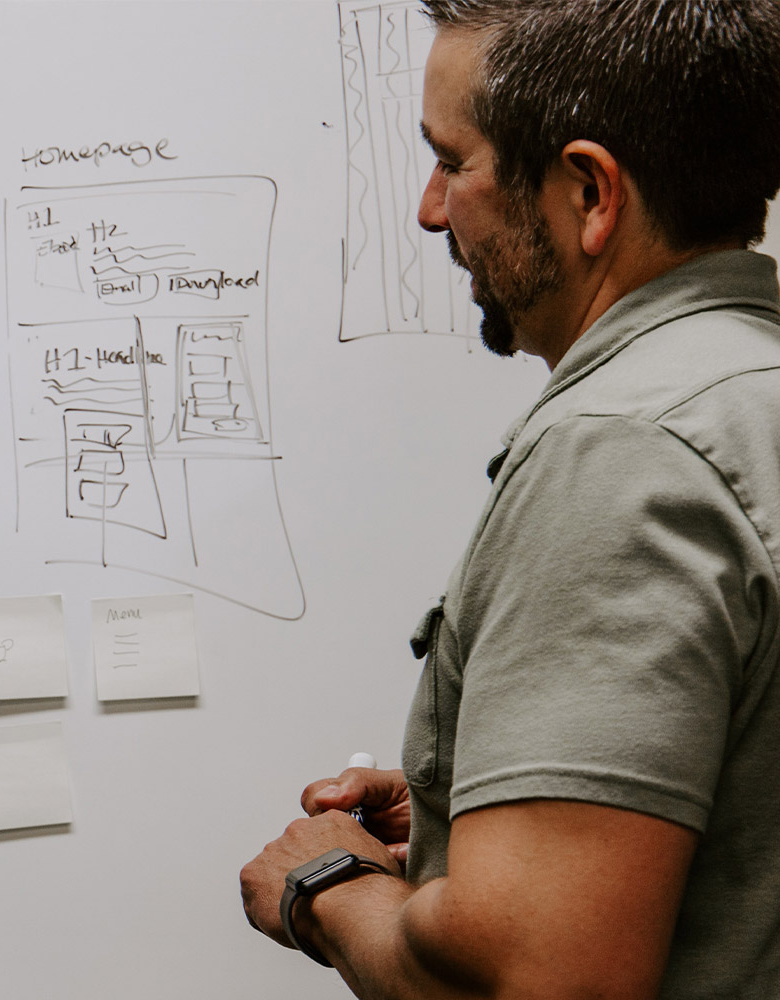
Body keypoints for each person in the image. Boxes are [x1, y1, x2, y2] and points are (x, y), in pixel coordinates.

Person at [236, 1, 780, 996]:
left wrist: (321, 885)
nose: (431, 209)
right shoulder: (753, 390)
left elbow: (538, 979)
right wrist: (470, 808)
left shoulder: (623, 452)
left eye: (454, 162)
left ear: (588, 191)